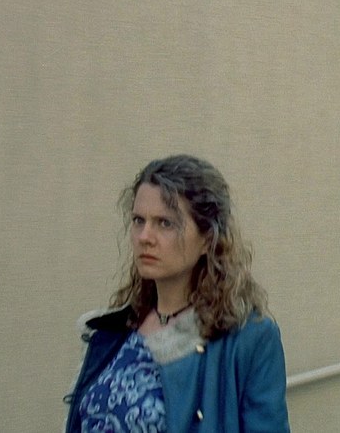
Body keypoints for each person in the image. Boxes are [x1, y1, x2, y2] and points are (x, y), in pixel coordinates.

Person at [64, 154, 290, 432]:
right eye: (138, 220)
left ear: (207, 239)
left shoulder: (247, 339)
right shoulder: (116, 331)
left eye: (165, 223)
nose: (145, 237)